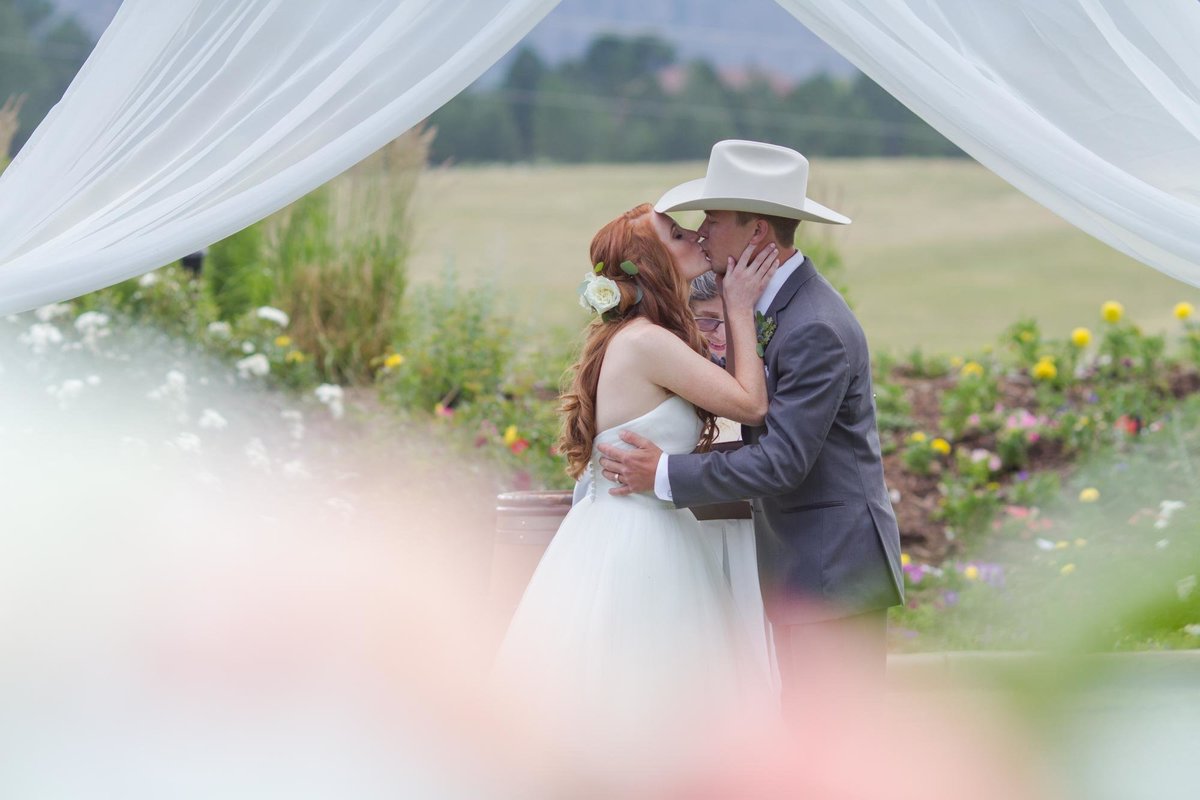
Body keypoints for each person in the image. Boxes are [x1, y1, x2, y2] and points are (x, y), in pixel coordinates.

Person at [597, 140, 905, 717]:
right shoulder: (774, 307)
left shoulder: (814, 325)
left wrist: (661, 472)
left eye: (713, 220)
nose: (702, 232)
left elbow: (782, 462)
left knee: (835, 741)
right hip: (806, 567)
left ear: (756, 231)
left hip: (831, 569)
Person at [492, 202, 780, 765]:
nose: (696, 235)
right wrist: (740, 307)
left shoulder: (636, 337)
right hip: (640, 545)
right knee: (651, 704)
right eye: (677, 235)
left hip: (631, 528)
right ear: (651, 263)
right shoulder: (646, 342)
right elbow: (749, 404)